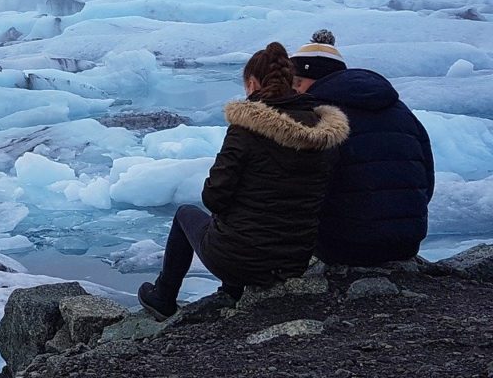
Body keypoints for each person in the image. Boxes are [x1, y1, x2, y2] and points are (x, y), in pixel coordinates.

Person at [138, 42, 349, 320]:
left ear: (252, 84)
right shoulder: (323, 133)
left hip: (240, 259)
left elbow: (214, 197)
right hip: (294, 259)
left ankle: (164, 296)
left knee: (185, 215)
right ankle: (233, 291)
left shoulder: (245, 130)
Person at [291, 30, 435, 265]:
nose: (294, 90)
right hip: (407, 242)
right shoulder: (401, 110)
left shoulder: (317, 115)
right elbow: (427, 177)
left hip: (343, 246)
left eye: (296, 82)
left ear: (309, 79)